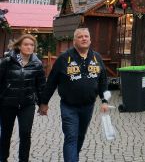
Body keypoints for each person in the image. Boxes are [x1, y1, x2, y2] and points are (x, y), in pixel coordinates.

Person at [40, 28, 108, 162]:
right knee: (71, 136)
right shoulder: (64, 58)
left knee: (80, 136)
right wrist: (44, 102)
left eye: (86, 36)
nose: (84, 39)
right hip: (68, 106)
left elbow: (103, 81)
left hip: (88, 106)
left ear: (90, 39)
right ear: (74, 41)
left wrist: (105, 100)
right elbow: (52, 82)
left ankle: (73, 157)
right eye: (80, 37)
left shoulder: (97, 57)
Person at [0, 35, 46, 162]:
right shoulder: (7, 61)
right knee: (5, 133)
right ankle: (3, 158)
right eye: (26, 44)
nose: (29, 47)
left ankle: (23, 160)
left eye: (32, 45)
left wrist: (43, 104)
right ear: (19, 46)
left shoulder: (37, 64)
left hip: (27, 104)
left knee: (25, 134)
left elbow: (41, 86)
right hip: (7, 103)